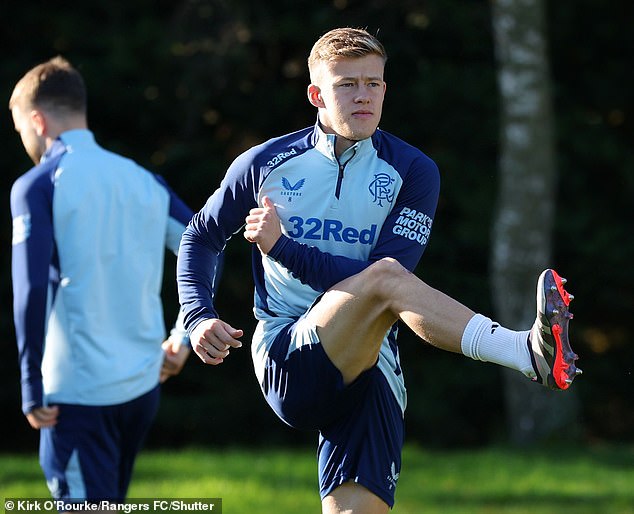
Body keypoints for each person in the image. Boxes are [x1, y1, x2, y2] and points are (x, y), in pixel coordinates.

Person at [176, 28, 582, 513]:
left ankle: (528, 353)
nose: (364, 95)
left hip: (374, 368)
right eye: (347, 84)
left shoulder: (413, 170)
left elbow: (380, 282)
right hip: (289, 354)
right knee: (386, 277)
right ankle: (524, 351)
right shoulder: (265, 162)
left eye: (374, 83)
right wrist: (197, 315)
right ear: (316, 95)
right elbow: (199, 236)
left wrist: (282, 247)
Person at [9, 56, 193, 503]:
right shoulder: (143, 179)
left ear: (37, 120)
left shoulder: (37, 185)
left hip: (76, 394)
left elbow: (31, 289)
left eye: (19, 131)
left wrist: (31, 383)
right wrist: (183, 337)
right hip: (142, 387)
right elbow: (201, 245)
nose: (24, 141)